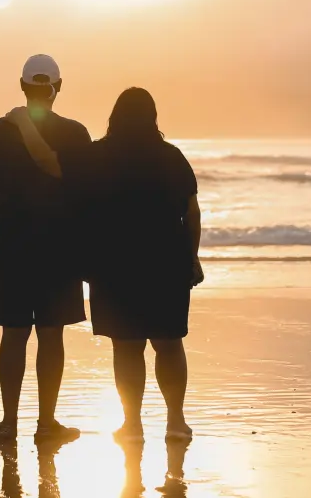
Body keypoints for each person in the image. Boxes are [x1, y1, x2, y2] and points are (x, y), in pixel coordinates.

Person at [0, 53, 92, 444]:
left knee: (14, 333)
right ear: (58, 88)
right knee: (51, 334)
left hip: (12, 245)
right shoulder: (76, 133)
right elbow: (85, 195)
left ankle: (8, 424)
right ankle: (46, 424)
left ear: (22, 87)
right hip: (61, 248)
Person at [85, 87, 203, 443]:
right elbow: (191, 212)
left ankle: (132, 425)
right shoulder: (171, 157)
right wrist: (192, 256)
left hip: (112, 264)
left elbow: (81, 213)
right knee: (168, 343)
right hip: (165, 262)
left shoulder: (96, 156)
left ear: (114, 117)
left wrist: (81, 259)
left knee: (126, 346)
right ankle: (176, 422)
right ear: (152, 117)